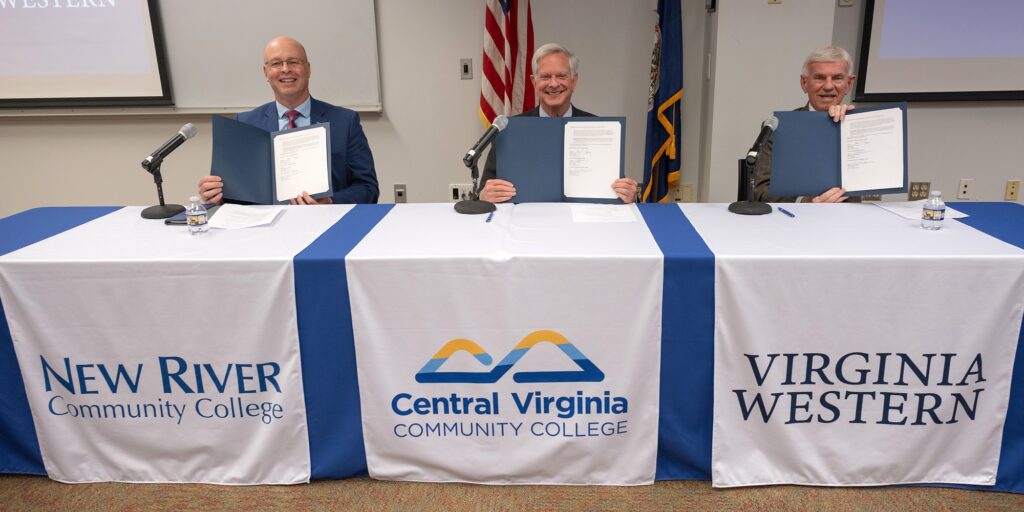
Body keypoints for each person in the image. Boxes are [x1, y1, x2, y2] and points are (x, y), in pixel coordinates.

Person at [198, 36, 378, 205]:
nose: (285, 69)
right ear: (266, 72)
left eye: (293, 62)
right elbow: (236, 195)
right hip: (265, 232)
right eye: (276, 63)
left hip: (327, 225)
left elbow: (368, 188)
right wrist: (217, 195)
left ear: (308, 69)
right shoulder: (244, 123)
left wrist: (331, 202)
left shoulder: (345, 121)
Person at [478, 43, 639, 204]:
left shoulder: (599, 129)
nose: (553, 84)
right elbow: (483, 191)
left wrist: (628, 194)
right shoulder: (509, 130)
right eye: (545, 76)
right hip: (526, 223)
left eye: (561, 76)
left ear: (574, 81)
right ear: (534, 82)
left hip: (583, 223)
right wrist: (484, 195)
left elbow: (617, 189)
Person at [753, 46, 860, 203]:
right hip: (795, 221)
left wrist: (852, 123)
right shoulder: (778, 128)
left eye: (837, 78)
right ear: (804, 83)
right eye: (819, 78)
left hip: (850, 220)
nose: (829, 86)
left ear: (849, 84)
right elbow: (761, 190)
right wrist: (804, 202)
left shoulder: (858, 126)